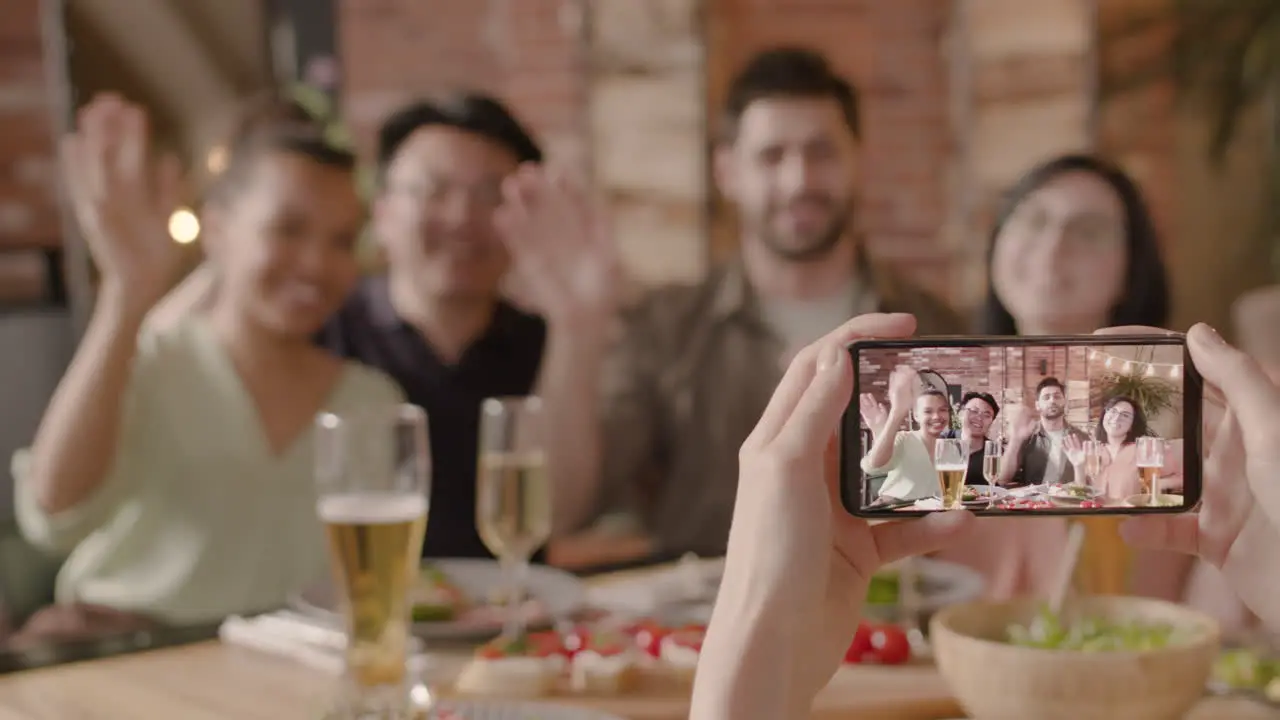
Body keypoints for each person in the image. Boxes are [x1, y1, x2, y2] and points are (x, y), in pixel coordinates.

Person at [691, 321, 1280, 720]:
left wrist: (748, 668)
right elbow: (985, 483)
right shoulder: (947, 448)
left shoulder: (1090, 447)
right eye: (953, 410)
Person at [8, 93, 402, 645]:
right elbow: (52, 515)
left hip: (291, 668)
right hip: (128, 657)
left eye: (341, 241)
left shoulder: (372, 400)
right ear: (216, 230)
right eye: (287, 229)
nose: (316, 263)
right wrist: (128, 291)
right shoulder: (153, 360)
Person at [152, 93, 616, 559]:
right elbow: (168, 361)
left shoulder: (544, 344)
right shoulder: (315, 323)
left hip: (504, 612)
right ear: (382, 211)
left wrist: (579, 322)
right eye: (433, 190)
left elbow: (558, 516)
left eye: (490, 195)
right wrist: (232, 247)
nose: (461, 218)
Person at [580, 46, 964, 557]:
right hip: (702, 622)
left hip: (893, 619)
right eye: (771, 155)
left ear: (860, 161)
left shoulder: (935, 325)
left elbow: (966, 499)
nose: (798, 181)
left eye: (822, 152)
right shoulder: (665, 328)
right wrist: (575, 326)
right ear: (727, 172)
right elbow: (575, 504)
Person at [956, 154, 1173, 600]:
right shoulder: (949, 401)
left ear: (1131, 272)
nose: (1054, 245)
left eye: (1088, 231)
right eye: (1034, 220)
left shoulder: (1171, 418)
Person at [861, 367, 952, 501]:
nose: (936, 416)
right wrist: (896, 414)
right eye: (928, 411)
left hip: (930, 512)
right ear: (916, 415)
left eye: (943, 410)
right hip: (894, 508)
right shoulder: (904, 438)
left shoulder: (952, 448)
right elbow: (874, 466)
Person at [1074, 395, 1183, 501]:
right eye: (1112, 411)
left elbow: (1183, 478)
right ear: (1104, 416)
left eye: (1125, 415)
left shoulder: (1145, 447)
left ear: (1132, 425)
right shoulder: (1093, 451)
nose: (1116, 418)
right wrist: (1078, 467)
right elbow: (1081, 495)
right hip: (1097, 515)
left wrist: (1159, 484)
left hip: (1133, 515)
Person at [997, 377, 1090, 487]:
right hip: (1033, 501)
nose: (1052, 400)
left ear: (1064, 402)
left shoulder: (1081, 438)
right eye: (1046, 397)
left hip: (1067, 501)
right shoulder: (1027, 435)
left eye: (1057, 396)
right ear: (1037, 405)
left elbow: (1090, 480)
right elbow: (1002, 479)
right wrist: (1015, 440)